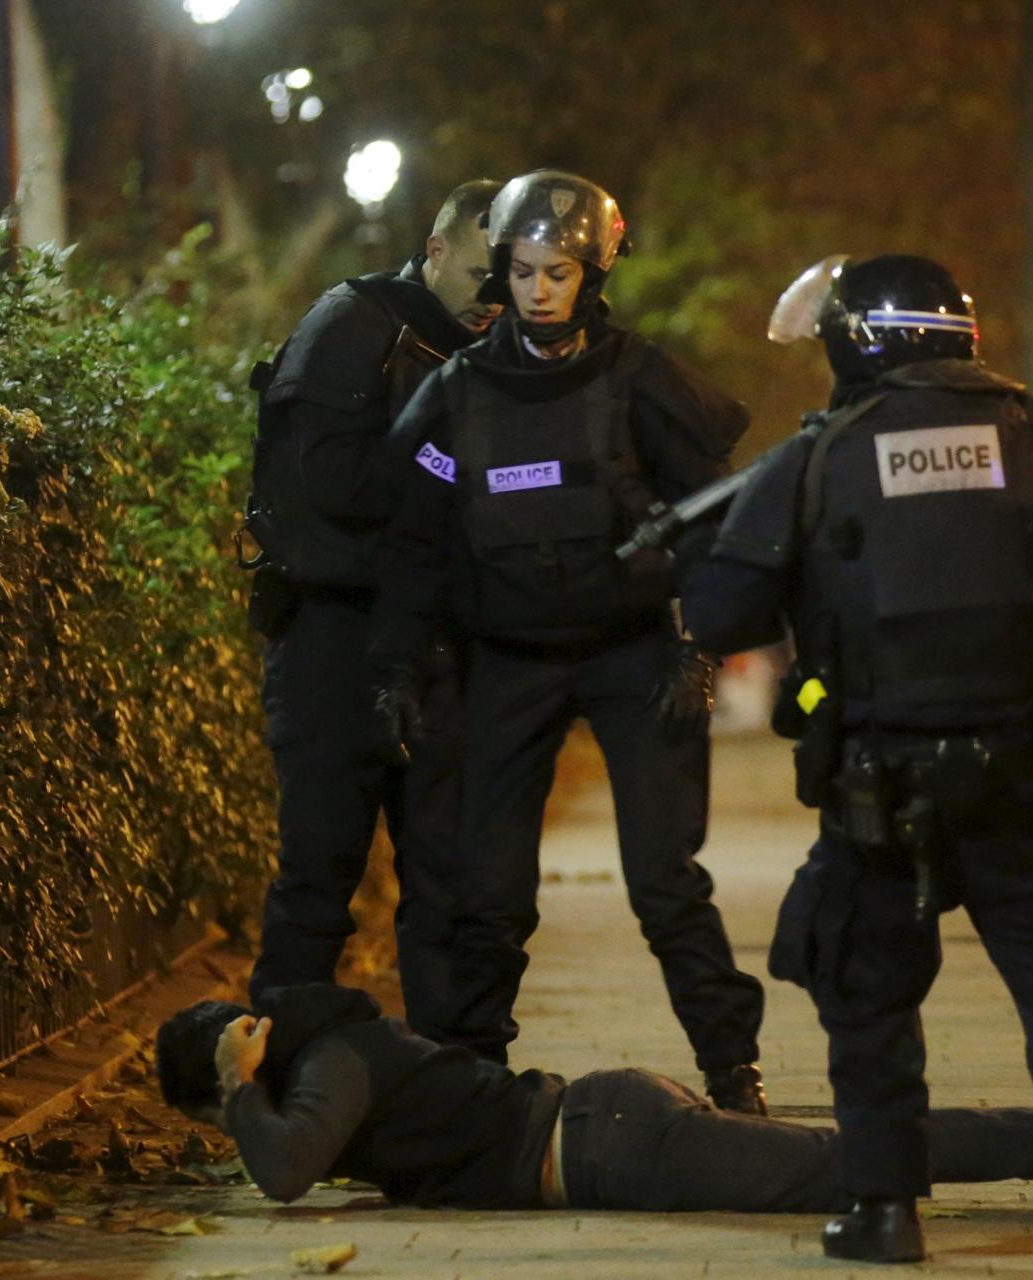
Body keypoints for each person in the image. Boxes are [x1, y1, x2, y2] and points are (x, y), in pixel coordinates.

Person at [675, 254, 1033, 1273]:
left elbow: (719, 614)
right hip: (1023, 763)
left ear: (850, 340)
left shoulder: (820, 452)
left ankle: (882, 1208)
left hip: (882, 778)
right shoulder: (1031, 425)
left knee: (865, 982)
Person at [370, 169, 767, 1113]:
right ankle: (470, 1077)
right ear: (502, 270)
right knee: (490, 891)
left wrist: (700, 645)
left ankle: (731, 1071)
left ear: (593, 274)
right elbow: (416, 538)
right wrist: (398, 664)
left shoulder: (641, 379)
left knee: (666, 883)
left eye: (559, 271)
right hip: (508, 658)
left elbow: (716, 522)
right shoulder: (456, 395)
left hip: (633, 654)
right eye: (523, 270)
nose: (539, 289)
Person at [154, 985, 1033, 1224]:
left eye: (209, 1108)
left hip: (609, 1144)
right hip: (608, 1132)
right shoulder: (334, 1055)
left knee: (851, 1161)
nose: (223, 1126)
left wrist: (238, 1090)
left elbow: (284, 1168)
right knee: (847, 1154)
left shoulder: (330, 1059)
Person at [243, 179, 502, 1039]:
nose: (494, 298)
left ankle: (464, 1099)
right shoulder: (355, 326)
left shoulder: (504, 348)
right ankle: (279, 1086)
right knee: (318, 875)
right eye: (477, 274)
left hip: (445, 649)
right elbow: (328, 488)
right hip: (335, 638)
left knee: (452, 889)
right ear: (432, 253)